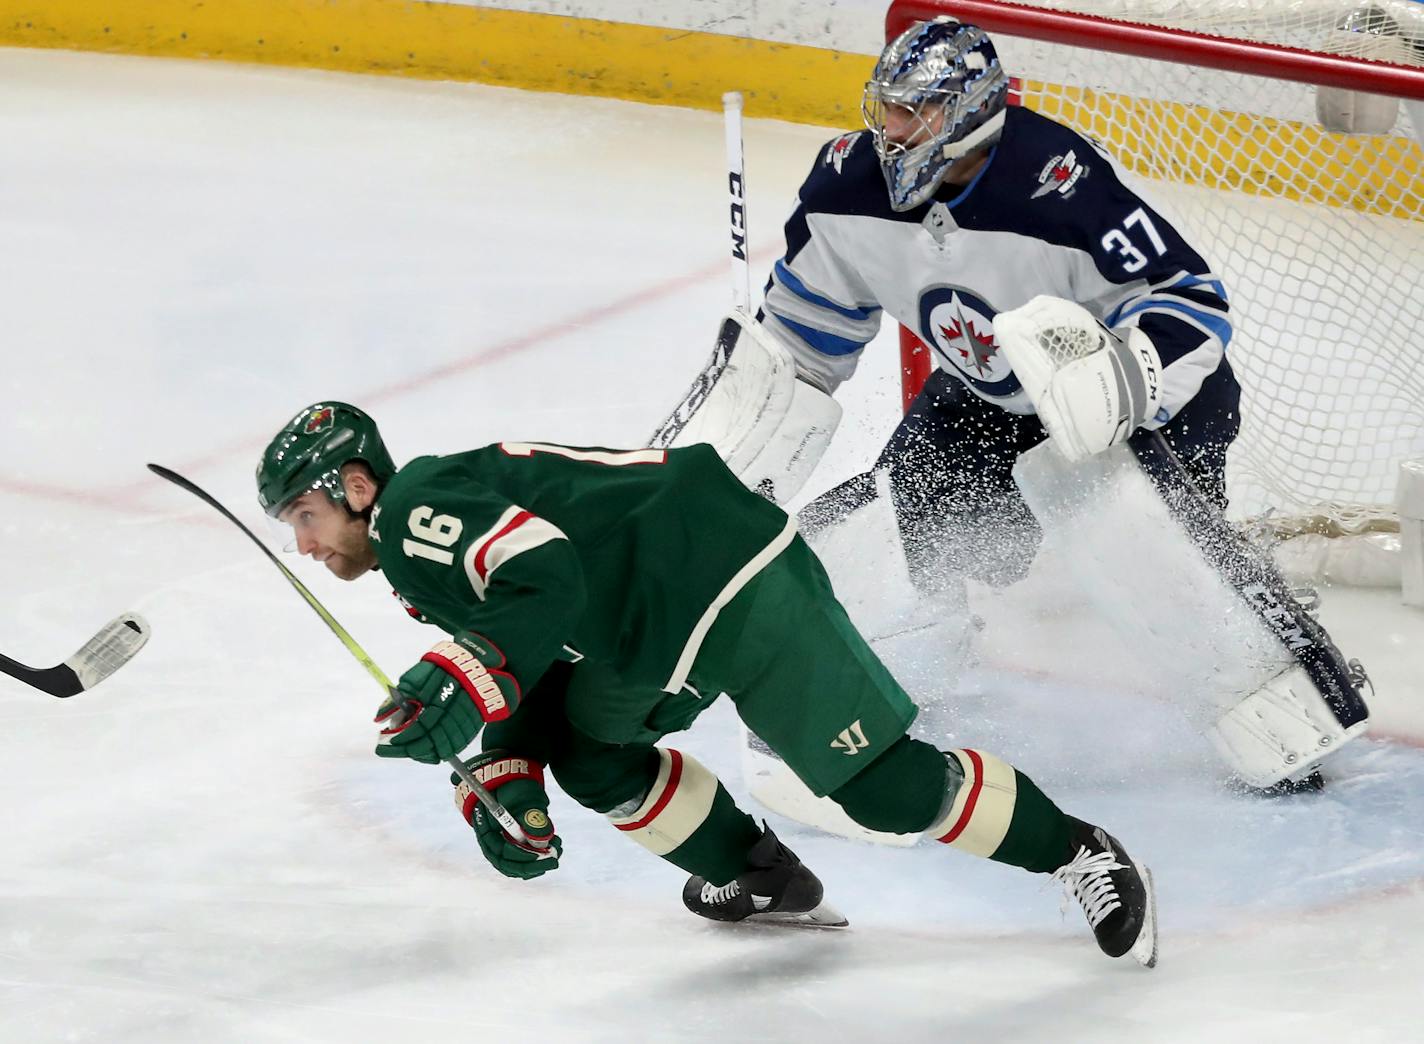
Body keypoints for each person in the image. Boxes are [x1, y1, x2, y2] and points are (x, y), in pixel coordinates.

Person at [683, 16, 1368, 793]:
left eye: (919, 111)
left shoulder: (1056, 182)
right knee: (877, 532)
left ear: (971, 110)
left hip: (1148, 406)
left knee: (1146, 547)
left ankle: (1282, 704)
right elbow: (805, 340)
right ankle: (911, 662)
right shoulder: (847, 187)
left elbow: (1190, 301)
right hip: (988, 400)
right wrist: (733, 443)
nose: (894, 130)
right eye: (889, 108)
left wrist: (1120, 383)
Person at [255, 400, 1158, 966]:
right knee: (581, 747)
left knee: (885, 791)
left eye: (307, 514)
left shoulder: (417, 510)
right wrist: (508, 769)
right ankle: (757, 877)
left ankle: (1081, 850)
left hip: (725, 580)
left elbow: (547, 577)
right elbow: (531, 644)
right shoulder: (421, 548)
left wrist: (464, 673)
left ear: (360, 484)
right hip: (656, 623)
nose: (304, 542)